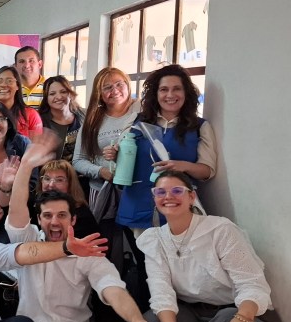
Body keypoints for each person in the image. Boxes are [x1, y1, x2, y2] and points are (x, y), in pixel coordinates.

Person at [2, 133, 156, 322]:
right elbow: (16, 208)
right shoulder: (27, 242)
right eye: (47, 215)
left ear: (73, 219)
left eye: (62, 215)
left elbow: (113, 289)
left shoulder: (87, 253)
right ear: (39, 219)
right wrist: (25, 166)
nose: (54, 221)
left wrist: (136, 321)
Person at [137, 171, 288, 322]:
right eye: (160, 192)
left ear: (191, 196)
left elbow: (252, 282)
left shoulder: (220, 230)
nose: (168, 197)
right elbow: (160, 290)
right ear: (154, 198)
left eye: (177, 191)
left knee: (224, 321)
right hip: (196, 318)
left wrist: (245, 317)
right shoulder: (154, 239)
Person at [117, 65, 217, 235]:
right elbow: (120, 160)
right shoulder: (137, 122)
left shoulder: (199, 127)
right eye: (164, 89)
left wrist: (183, 166)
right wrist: (113, 155)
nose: (170, 95)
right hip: (138, 204)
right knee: (145, 260)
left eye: (176, 89)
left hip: (178, 206)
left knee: (180, 259)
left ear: (186, 93)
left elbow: (207, 171)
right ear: (155, 94)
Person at [72, 67, 140, 260]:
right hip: (102, 190)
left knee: (140, 247)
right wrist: (101, 171)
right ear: (99, 94)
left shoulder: (141, 111)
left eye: (120, 84)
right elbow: (77, 160)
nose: (115, 90)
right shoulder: (93, 120)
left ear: (128, 85)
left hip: (134, 190)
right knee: (103, 248)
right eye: (107, 87)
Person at [0, 65, 43, 137]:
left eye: (9, 81)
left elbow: (37, 146)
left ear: (18, 86)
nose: (3, 85)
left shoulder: (31, 115)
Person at [37, 76, 85, 162]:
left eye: (63, 92)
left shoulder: (84, 115)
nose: (59, 97)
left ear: (70, 94)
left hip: (85, 172)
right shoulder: (39, 122)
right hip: (53, 172)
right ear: (46, 98)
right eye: (52, 94)